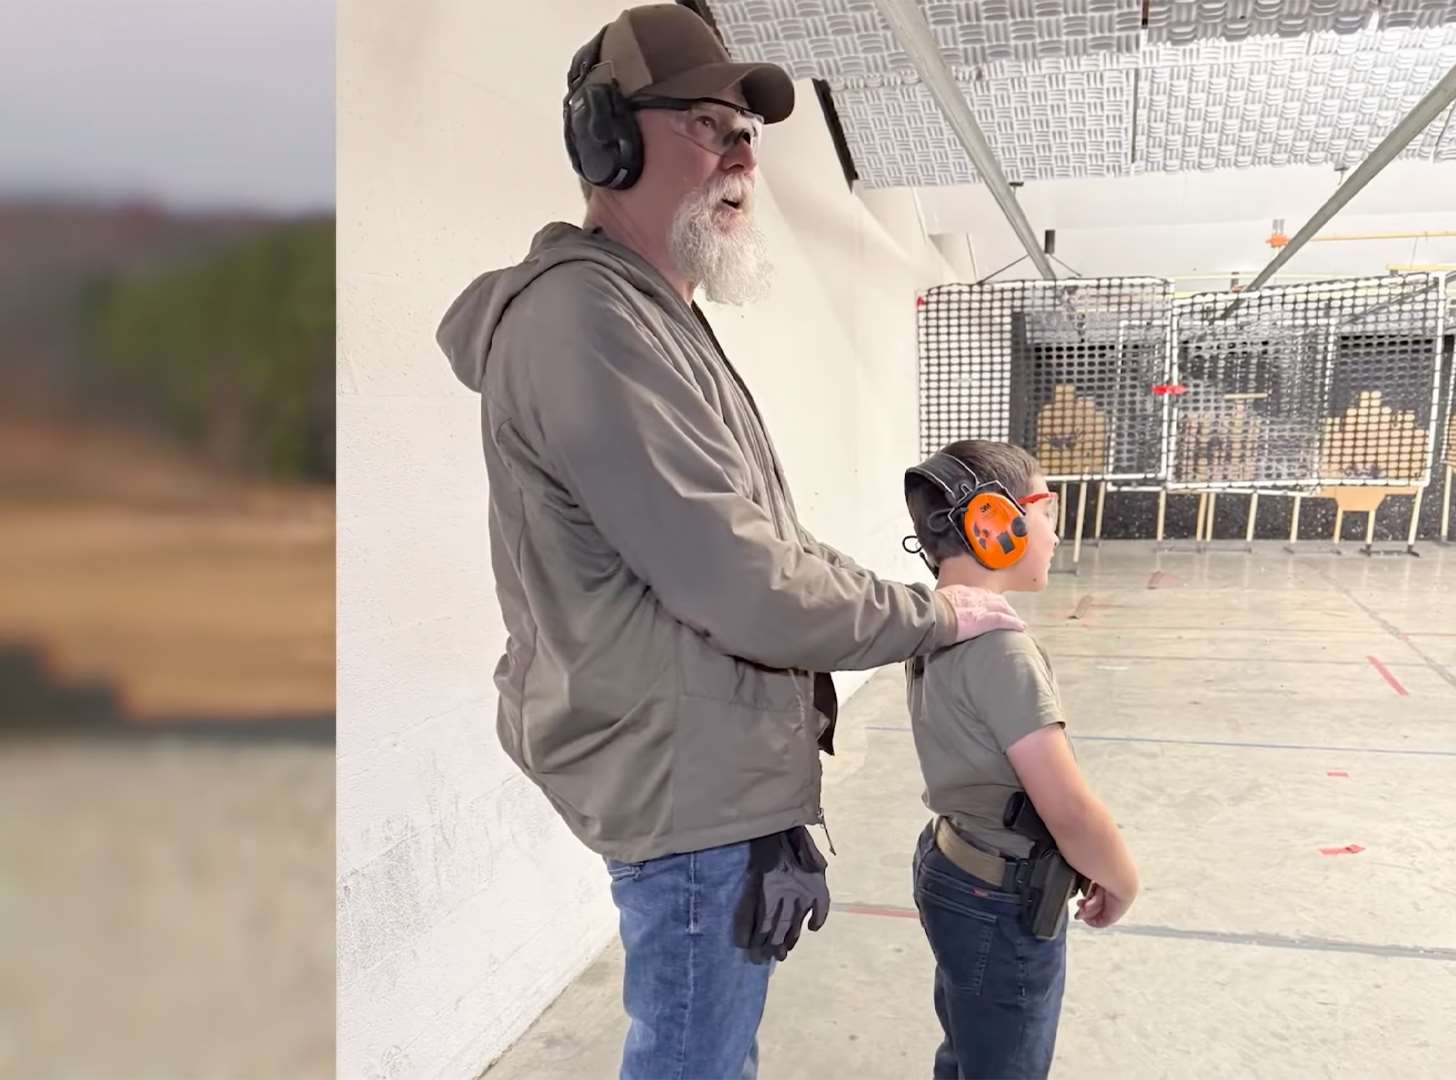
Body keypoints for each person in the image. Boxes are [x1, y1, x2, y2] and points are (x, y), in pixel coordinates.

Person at [435, 8, 1026, 1078]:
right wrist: (930, 613)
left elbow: (763, 539)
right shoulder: (592, 323)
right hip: (681, 783)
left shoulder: (656, 315)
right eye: (710, 123)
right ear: (606, 143)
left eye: (751, 131)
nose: (745, 152)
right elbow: (746, 582)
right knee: (695, 1062)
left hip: (706, 768)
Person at [901, 440, 1141, 1079]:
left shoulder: (932, 624)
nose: (1057, 533)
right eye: (1047, 509)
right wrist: (1121, 877)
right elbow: (1064, 805)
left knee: (969, 1050)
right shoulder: (1002, 651)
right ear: (992, 523)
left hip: (952, 865)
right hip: (998, 896)